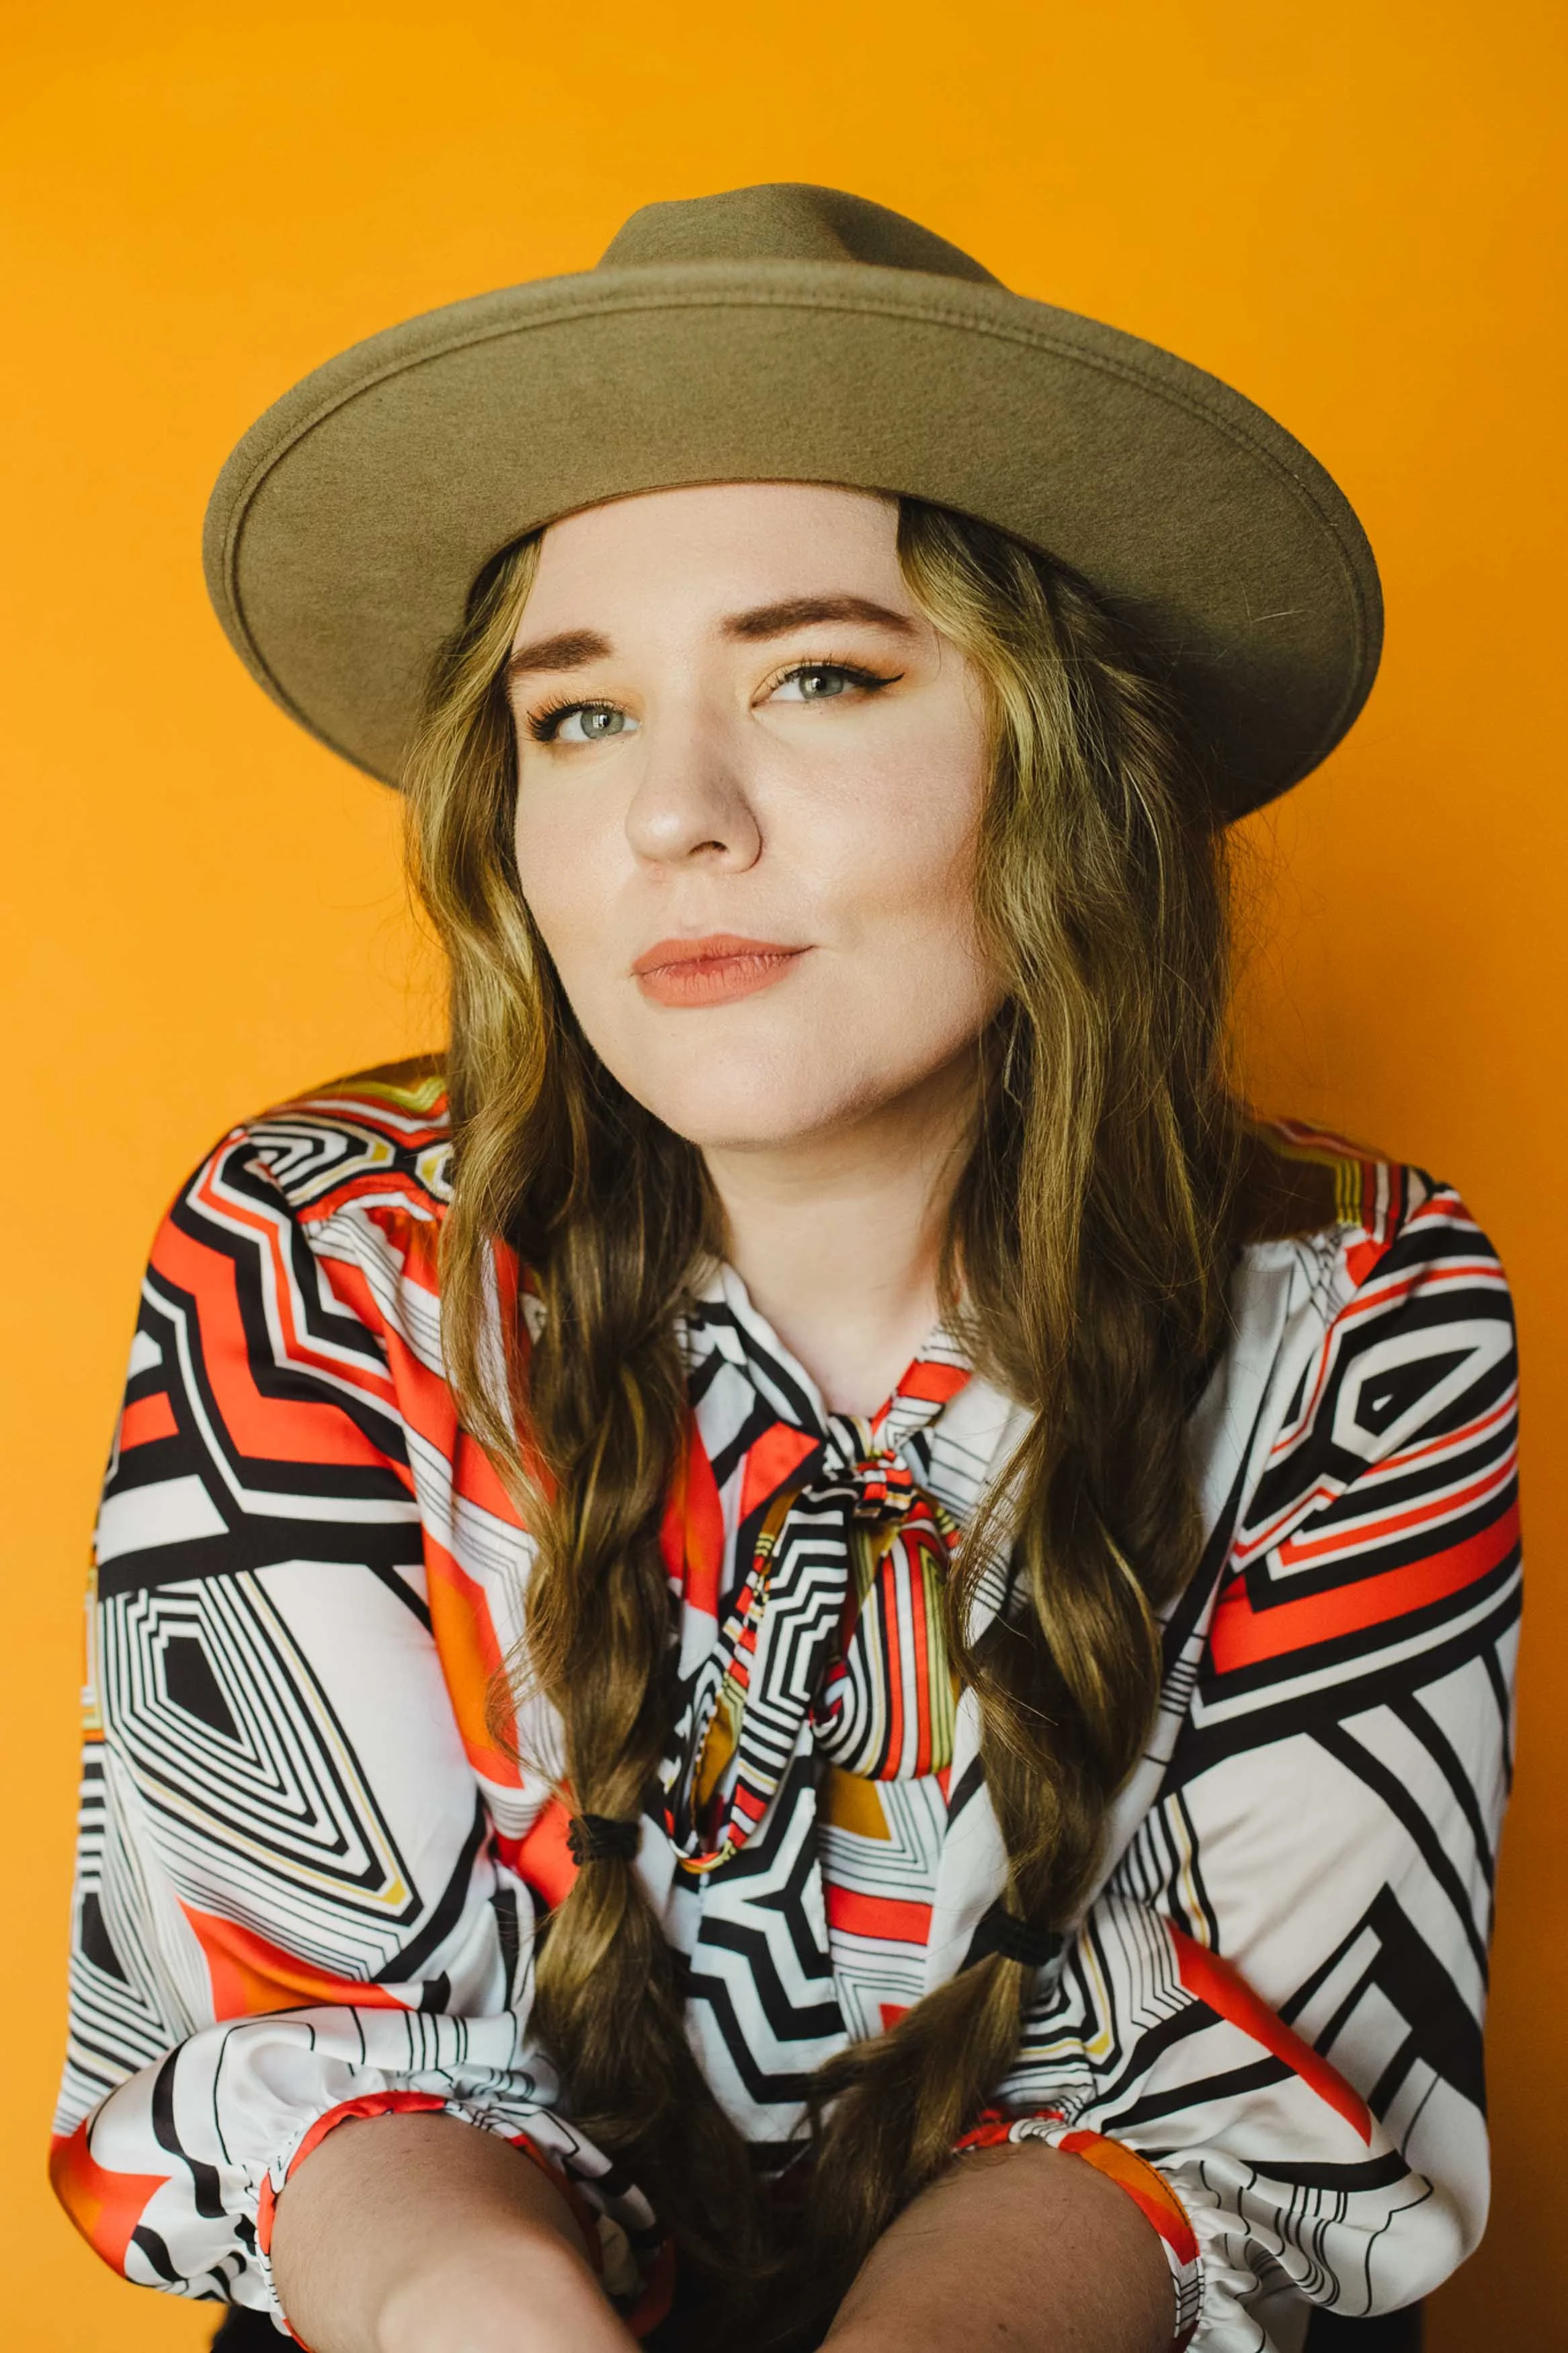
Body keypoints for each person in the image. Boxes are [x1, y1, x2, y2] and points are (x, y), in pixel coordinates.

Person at [50, 186, 1518, 2353]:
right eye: (582, 717)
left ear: (1067, 763)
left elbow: (1230, 2116)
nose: (674, 818)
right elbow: (310, 2035)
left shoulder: (1360, 1321)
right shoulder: (319, 1257)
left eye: (819, 673)